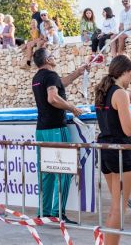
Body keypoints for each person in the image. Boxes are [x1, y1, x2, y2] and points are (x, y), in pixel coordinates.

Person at [31, 48, 90, 224]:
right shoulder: (51, 75)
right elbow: (53, 98)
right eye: (52, 55)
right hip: (56, 129)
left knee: (47, 172)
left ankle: (45, 212)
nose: (54, 57)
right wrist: (73, 108)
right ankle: (58, 213)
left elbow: (59, 84)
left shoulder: (38, 77)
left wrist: (78, 73)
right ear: (48, 59)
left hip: (41, 129)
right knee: (64, 171)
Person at [94, 55, 131, 245]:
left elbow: (112, 112)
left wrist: (130, 97)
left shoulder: (102, 90)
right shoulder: (120, 93)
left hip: (106, 150)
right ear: (124, 72)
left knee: (114, 206)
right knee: (119, 208)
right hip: (121, 151)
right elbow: (129, 128)